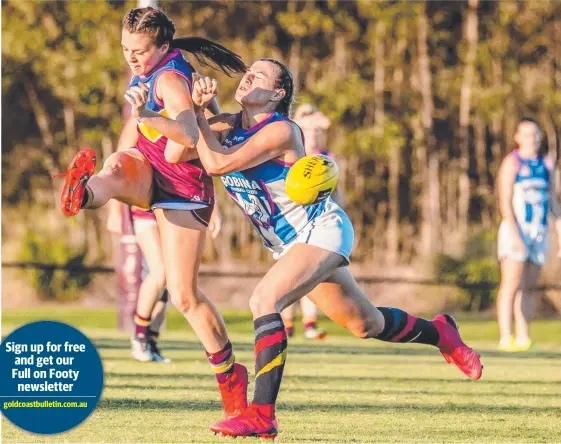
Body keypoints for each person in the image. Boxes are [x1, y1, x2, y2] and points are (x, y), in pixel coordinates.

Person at [187, 59, 483, 439]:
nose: (247, 76)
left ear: (278, 94)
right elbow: (191, 147)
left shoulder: (281, 130)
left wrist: (197, 113)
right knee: (366, 324)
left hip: (321, 231)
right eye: (248, 71)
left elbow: (215, 162)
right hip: (290, 244)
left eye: (258, 75)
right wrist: (166, 111)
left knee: (263, 300)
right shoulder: (229, 122)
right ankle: (441, 333)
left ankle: (261, 414)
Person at [56, 6, 248, 418]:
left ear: (162, 47)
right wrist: (130, 136)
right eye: (126, 49)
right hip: (150, 167)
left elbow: (190, 134)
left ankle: (232, 378)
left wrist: (144, 115)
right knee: (115, 167)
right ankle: (83, 192)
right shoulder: (144, 67)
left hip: (182, 187)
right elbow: (139, 131)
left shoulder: (169, 78)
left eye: (139, 51)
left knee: (183, 295)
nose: (131, 57)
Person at [496, 118, 561, 352]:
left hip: (539, 231)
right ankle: (506, 336)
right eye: (526, 134)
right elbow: (504, 200)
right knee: (511, 283)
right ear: (517, 137)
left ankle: (524, 336)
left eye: (534, 134)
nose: (531, 139)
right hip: (517, 230)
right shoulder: (512, 163)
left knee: (529, 287)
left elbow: (553, 199)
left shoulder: (546, 164)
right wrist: (514, 233)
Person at [279, 103, 339, 340]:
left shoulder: (327, 158)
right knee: (288, 276)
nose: (313, 134)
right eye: (308, 130)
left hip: (319, 225)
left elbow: (337, 192)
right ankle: (286, 325)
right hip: (292, 223)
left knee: (309, 276)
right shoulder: (293, 152)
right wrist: (309, 114)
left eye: (316, 132)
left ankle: (309, 325)